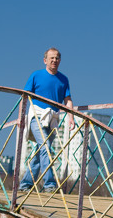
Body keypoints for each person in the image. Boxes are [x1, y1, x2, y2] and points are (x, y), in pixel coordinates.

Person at [18, 47, 72, 192]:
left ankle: (25, 184)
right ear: (45, 60)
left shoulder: (63, 79)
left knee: (40, 150)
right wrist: (20, 118)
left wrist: (71, 117)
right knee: (45, 147)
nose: (55, 60)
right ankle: (49, 184)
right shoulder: (36, 75)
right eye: (52, 58)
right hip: (37, 115)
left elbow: (67, 100)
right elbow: (24, 96)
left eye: (57, 58)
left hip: (53, 118)